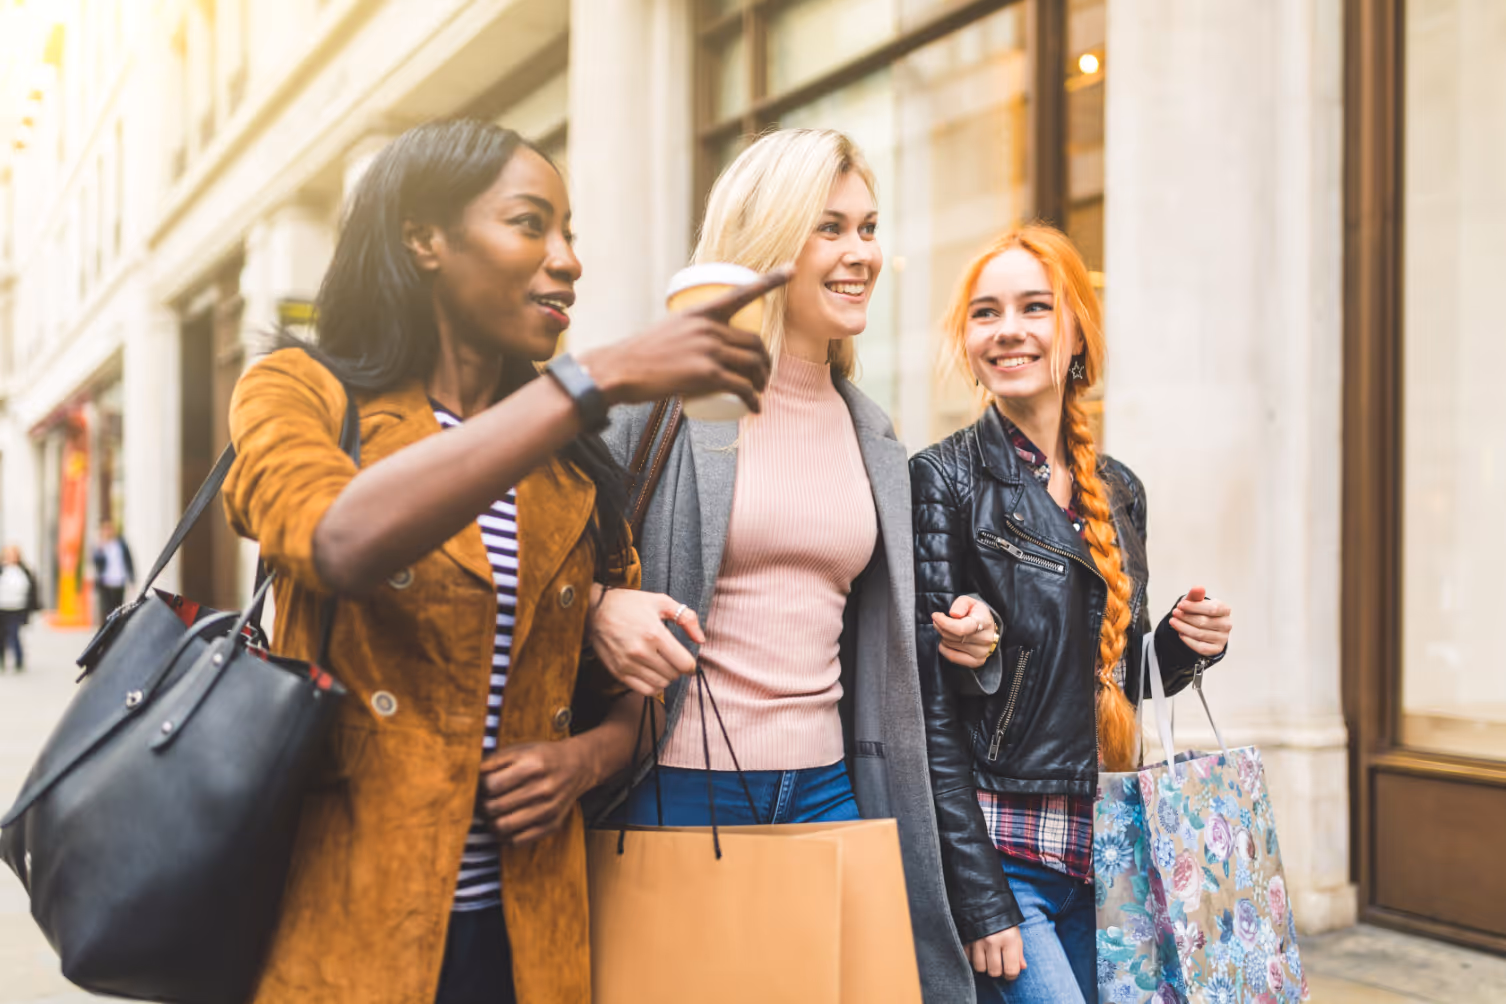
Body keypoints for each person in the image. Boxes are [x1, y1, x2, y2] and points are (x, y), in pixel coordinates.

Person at [221, 119, 782, 1004]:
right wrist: (590, 382)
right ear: (424, 238)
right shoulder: (304, 390)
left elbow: (636, 707)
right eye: (530, 225)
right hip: (346, 919)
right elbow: (338, 540)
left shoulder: (569, 462)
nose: (567, 261)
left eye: (571, 234)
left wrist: (584, 762)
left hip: (528, 935)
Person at [597, 128, 975, 1004]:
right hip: (678, 786)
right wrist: (592, 606)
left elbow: (860, 624)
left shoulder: (873, 431)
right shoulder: (664, 403)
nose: (862, 254)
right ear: (765, 242)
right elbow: (537, 559)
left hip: (830, 787)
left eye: (869, 227)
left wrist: (963, 634)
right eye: (830, 228)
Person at [910, 224, 1234, 1004]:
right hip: (1005, 857)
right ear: (969, 339)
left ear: (1077, 331)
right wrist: (980, 897)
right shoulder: (942, 481)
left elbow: (1121, 674)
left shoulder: (1119, 488)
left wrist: (1187, 647)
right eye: (987, 313)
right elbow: (930, 715)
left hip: (1110, 851)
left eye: (1035, 307)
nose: (1009, 329)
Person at [0, 545, 39, 672]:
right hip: (2, 607)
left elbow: (29, 589)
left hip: (16, 608)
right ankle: (2, 660)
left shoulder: (23, 571)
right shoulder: (2, 570)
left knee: (14, 634)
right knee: (1, 636)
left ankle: (19, 660)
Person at [91, 521, 134, 623]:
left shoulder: (121, 544)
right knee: (108, 608)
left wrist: (132, 577)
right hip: (106, 581)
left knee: (118, 606)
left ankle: (117, 626)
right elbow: (97, 562)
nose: (108, 532)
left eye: (109, 529)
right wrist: (100, 549)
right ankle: (109, 627)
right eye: (105, 530)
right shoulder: (102, 546)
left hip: (119, 580)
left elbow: (128, 560)